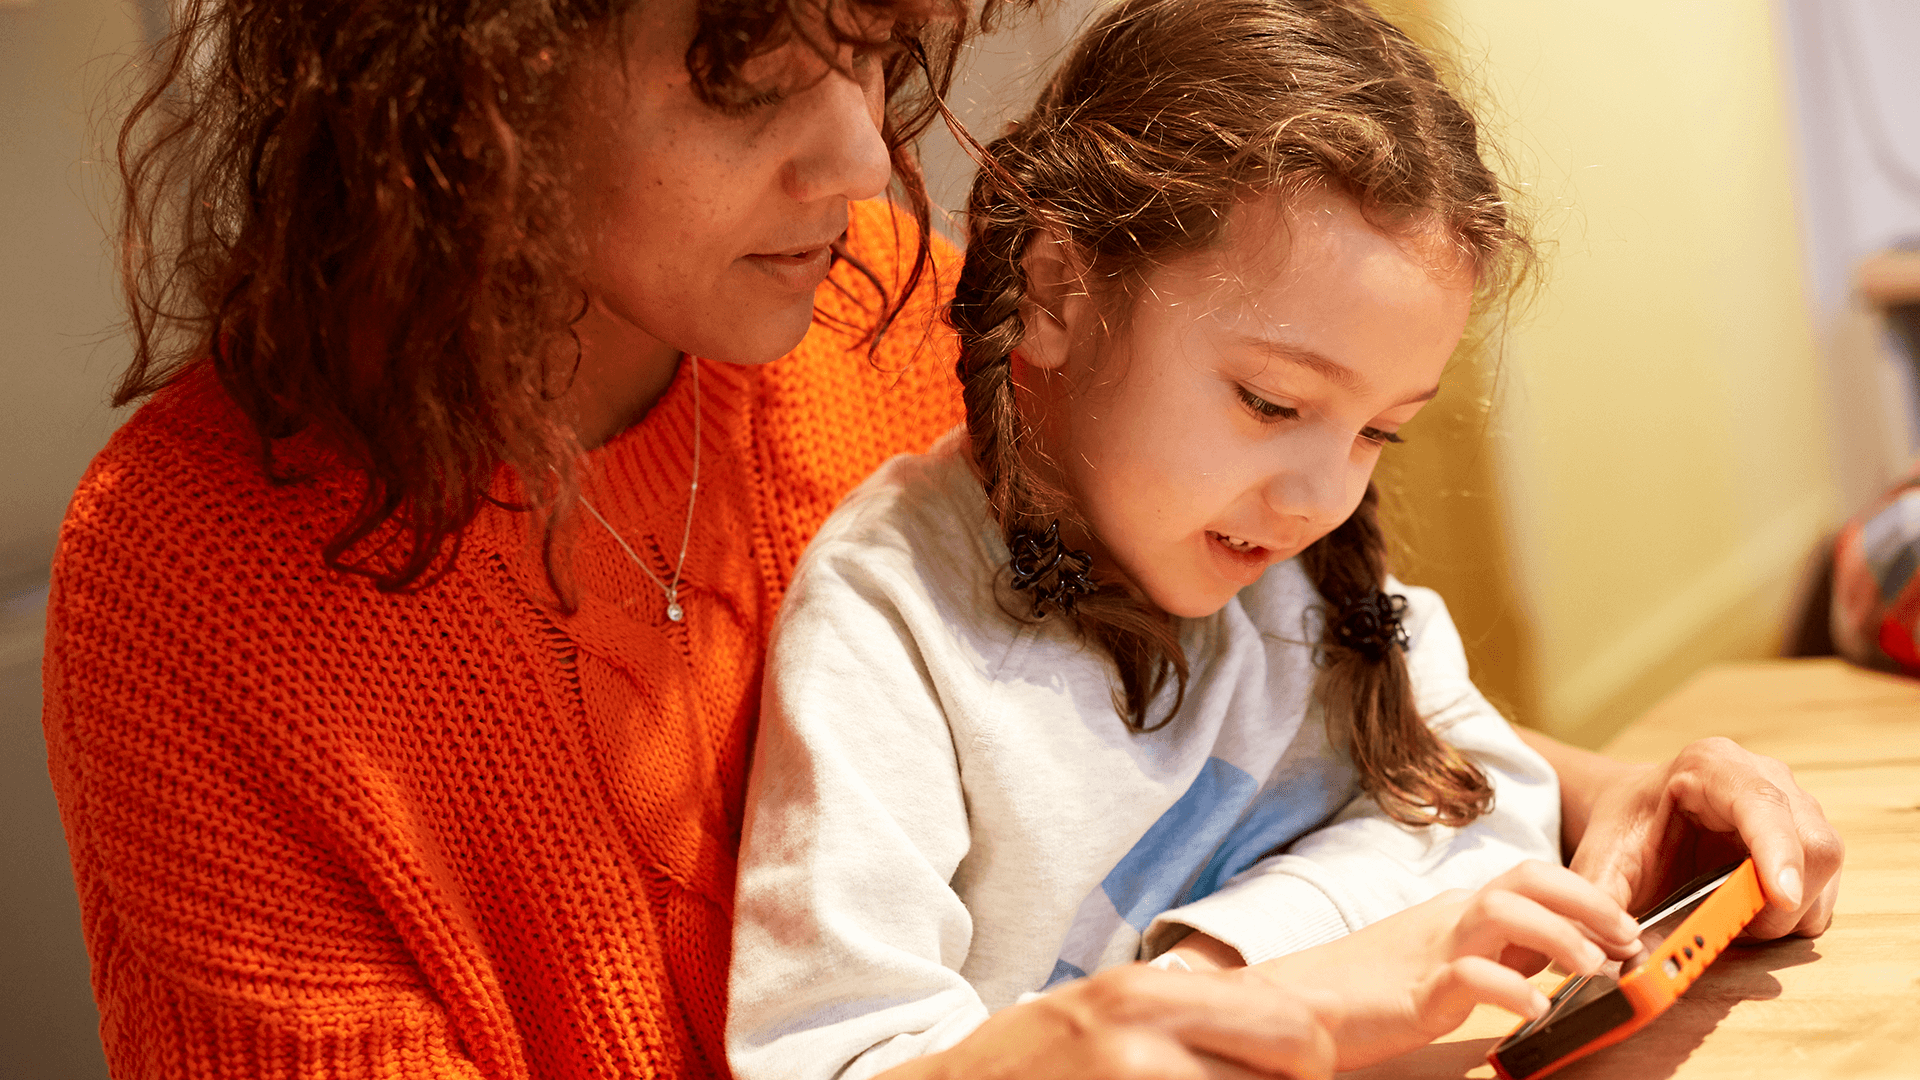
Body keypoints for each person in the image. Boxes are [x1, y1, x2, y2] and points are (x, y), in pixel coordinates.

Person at [43, 0, 1837, 1077]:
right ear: (466, 72)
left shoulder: (880, 310)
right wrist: (1063, 1048)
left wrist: (1606, 797)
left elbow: (1236, 694)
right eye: (747, 75)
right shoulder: (195, 590)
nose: (858, 162)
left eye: (879, 51)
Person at [726, 1, 1845, 1076]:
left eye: (1378, 433)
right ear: (1059, 290)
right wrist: (1267, 991)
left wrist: (1249, 961)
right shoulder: (891, 627)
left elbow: (1483, 794)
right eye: (1271, 403)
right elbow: (841, 1055)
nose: (1323, 499)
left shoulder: (1284, 572)